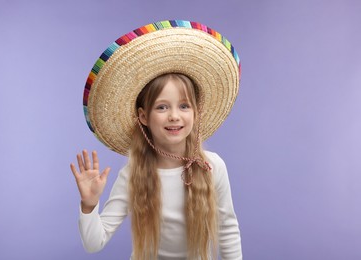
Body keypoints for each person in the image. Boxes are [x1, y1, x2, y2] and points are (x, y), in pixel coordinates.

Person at [70, 20, 242, 260]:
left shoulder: (213, 166)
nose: (174, 116)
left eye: (184, 106)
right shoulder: (134, 173)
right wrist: (89, 205)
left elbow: (228, 231)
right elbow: (93, 243)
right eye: (162, 107)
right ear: (143, 116)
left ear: (196, 112)